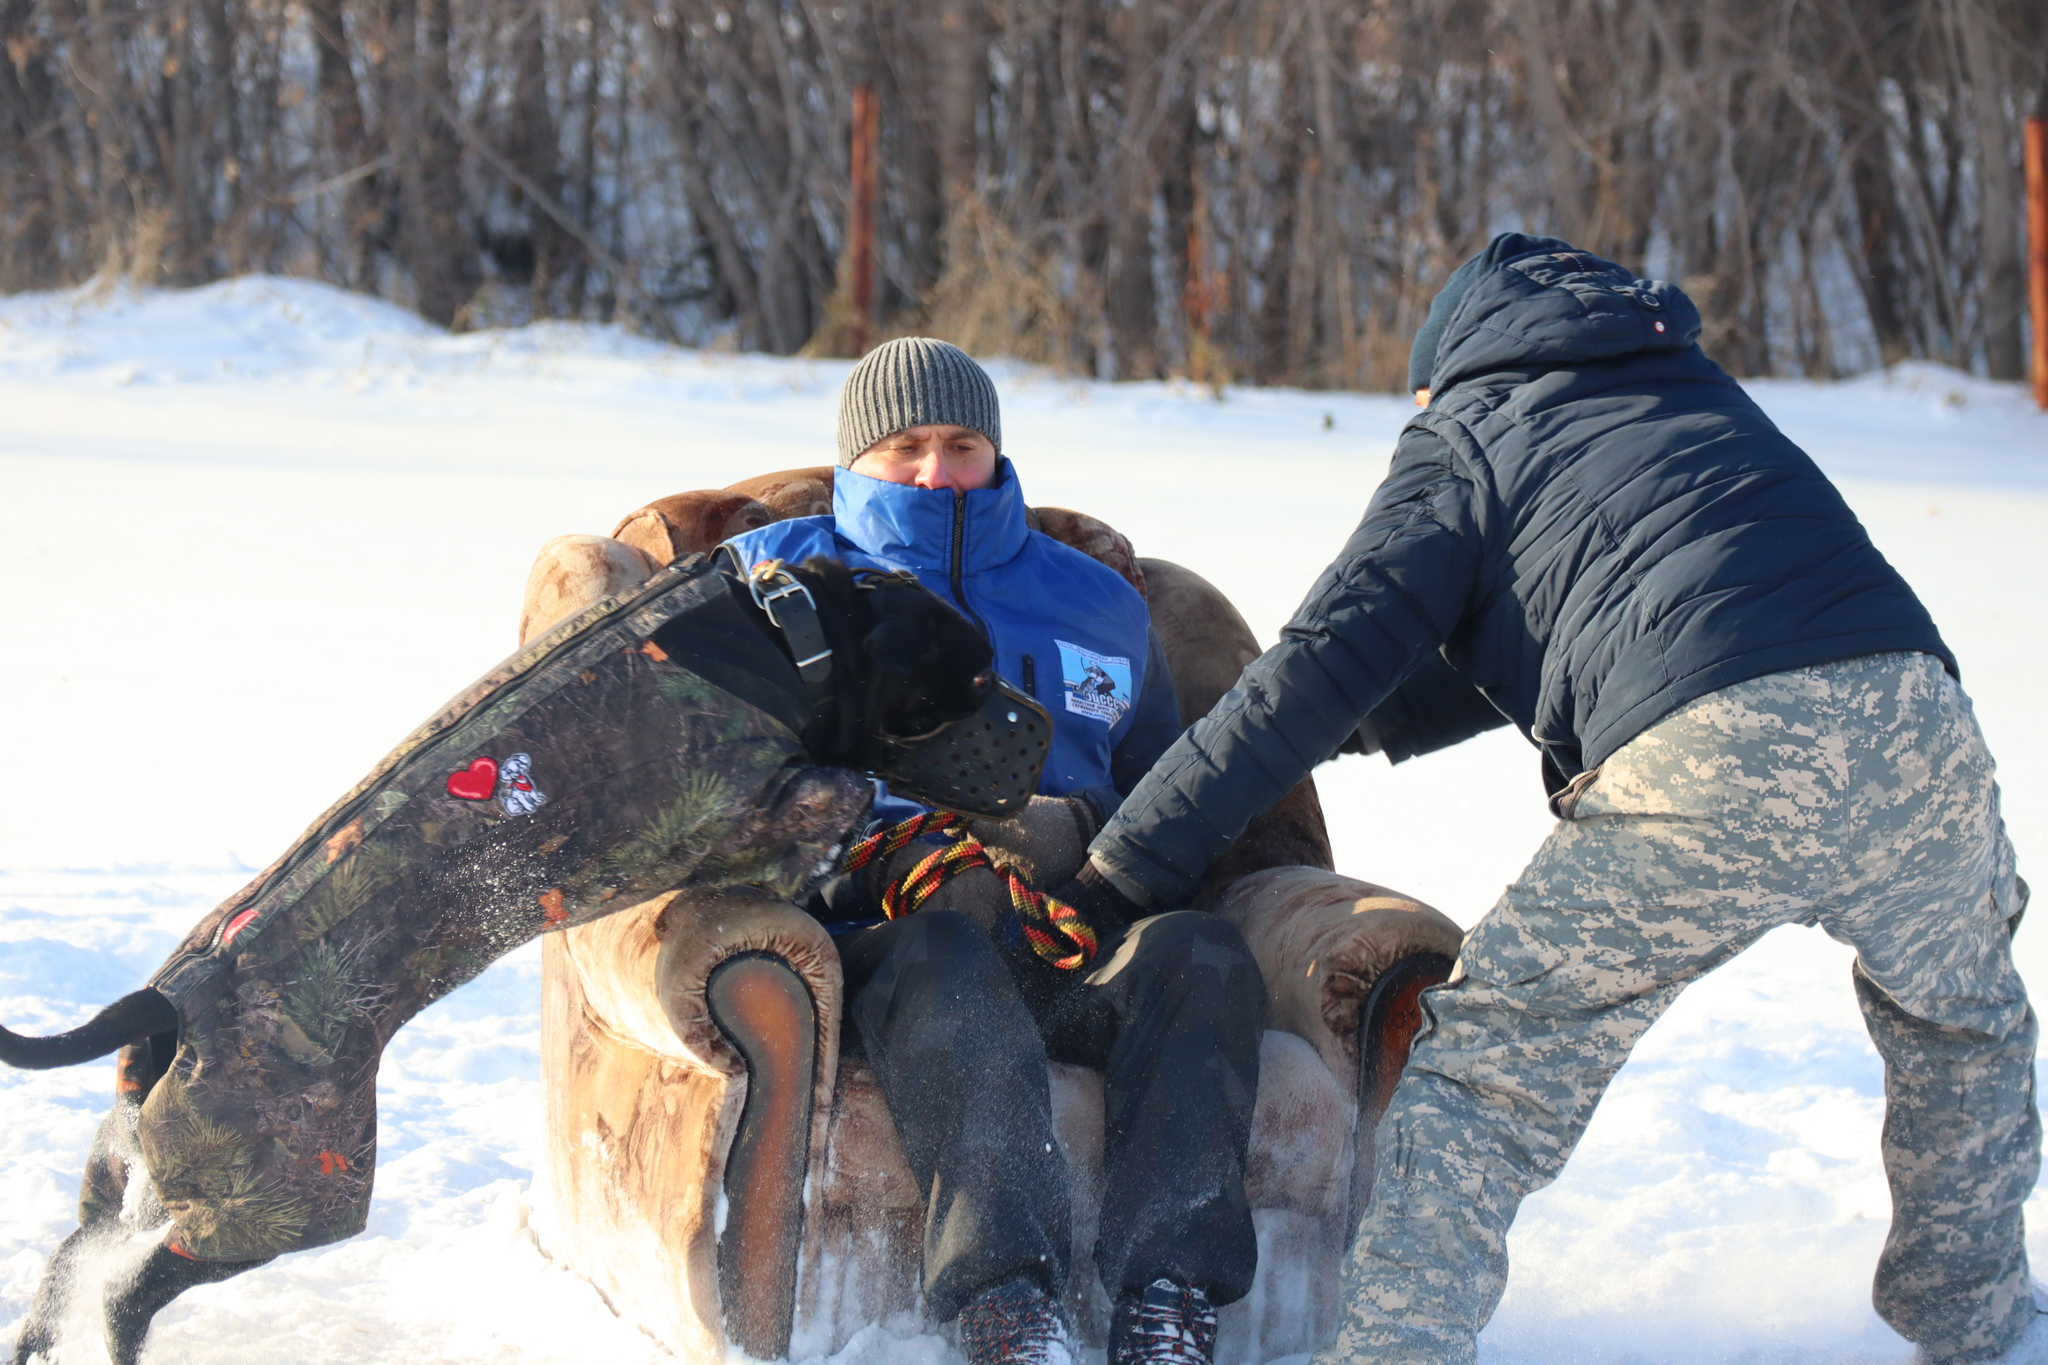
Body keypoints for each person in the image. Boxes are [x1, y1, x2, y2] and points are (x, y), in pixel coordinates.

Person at [1054, 235, 2041, 1365]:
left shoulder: (1463, 431)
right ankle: (1977, 1325)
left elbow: (1314, 666)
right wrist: (1363, 720)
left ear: (1437, 374)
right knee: (1959, 1032)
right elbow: (1600, 610)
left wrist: (1111, 872)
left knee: (1483, 1073)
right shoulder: (1680, 383)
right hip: (1919, 720)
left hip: (1714, 763)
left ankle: (1393, 1352)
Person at [723, 338, 1265, 1365]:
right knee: (947, 952)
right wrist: (876, 839)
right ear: (854, 459)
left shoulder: (1101, 600)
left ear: (995, 452)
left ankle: (1168, 1299)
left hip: (1070, 924)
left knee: (1199, 951)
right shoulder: (772, 575)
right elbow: (706, 780)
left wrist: (1089, 848)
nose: (935, 470)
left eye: (960, 443)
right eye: (905, 446)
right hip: (894, 937)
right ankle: (1005, 1305)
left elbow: (1167, 789)